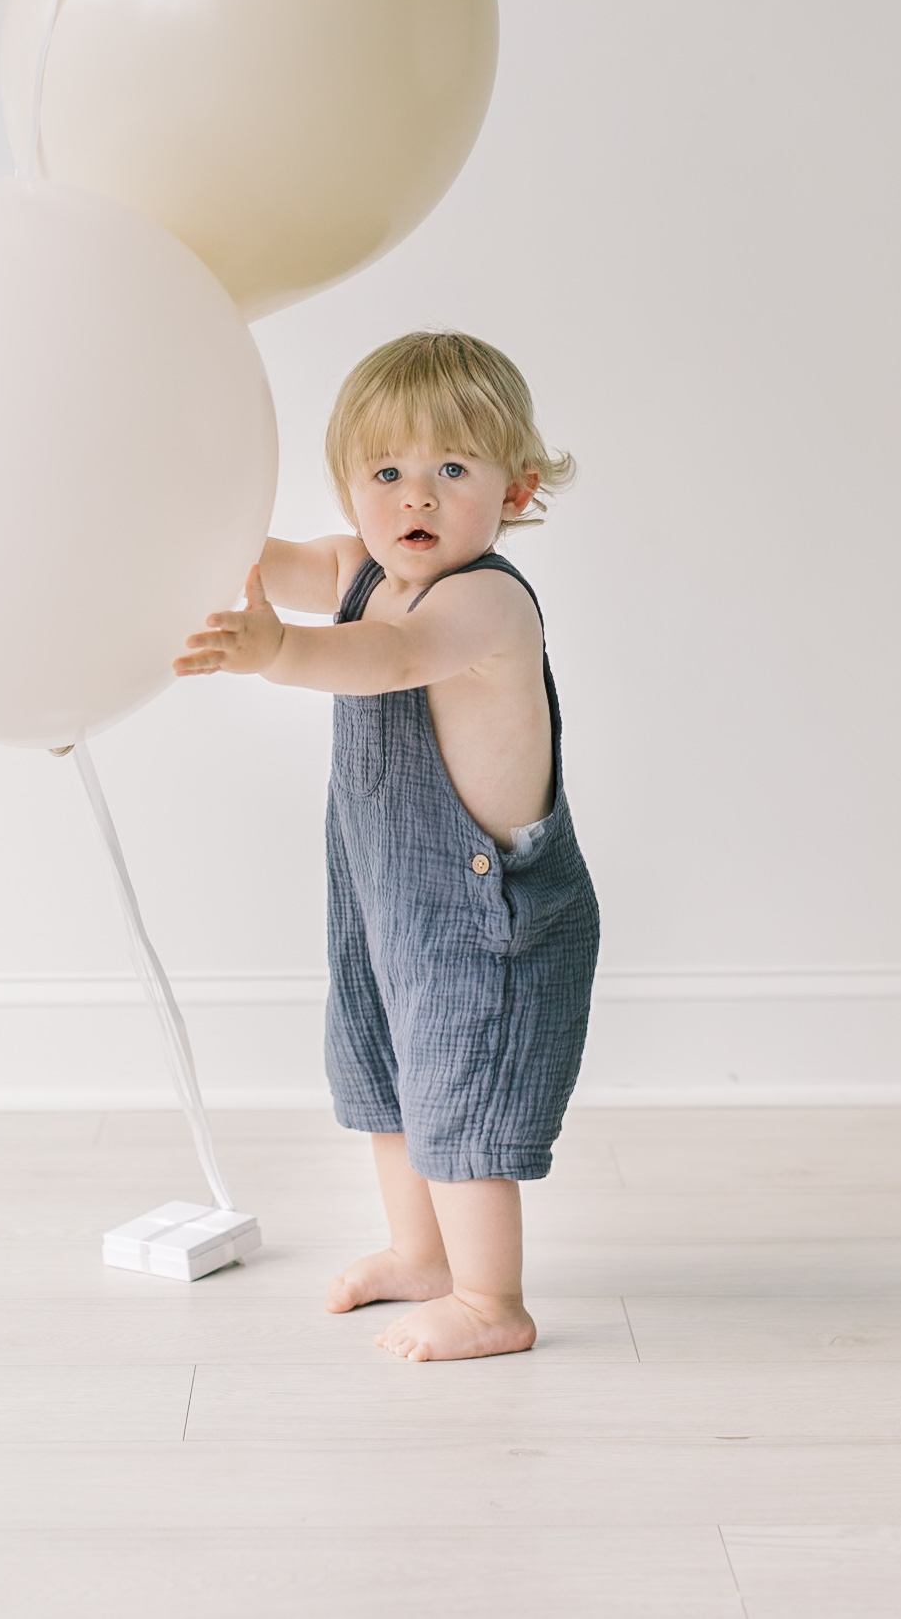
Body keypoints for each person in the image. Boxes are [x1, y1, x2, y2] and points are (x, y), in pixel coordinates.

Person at [174, 330, 598, 1361]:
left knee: (458, 1088)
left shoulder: (482, 601)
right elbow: (264, 557)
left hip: (486, 909)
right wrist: (186, 523)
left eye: (452, 470)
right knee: (385, 1069)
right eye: (387, 472)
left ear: (515, 488)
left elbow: (390, 656)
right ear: (350, 487)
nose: (416, 498)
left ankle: (493, 1299)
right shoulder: (362, 566)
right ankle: (423, 1254)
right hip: (385, 892)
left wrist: (279, 650)